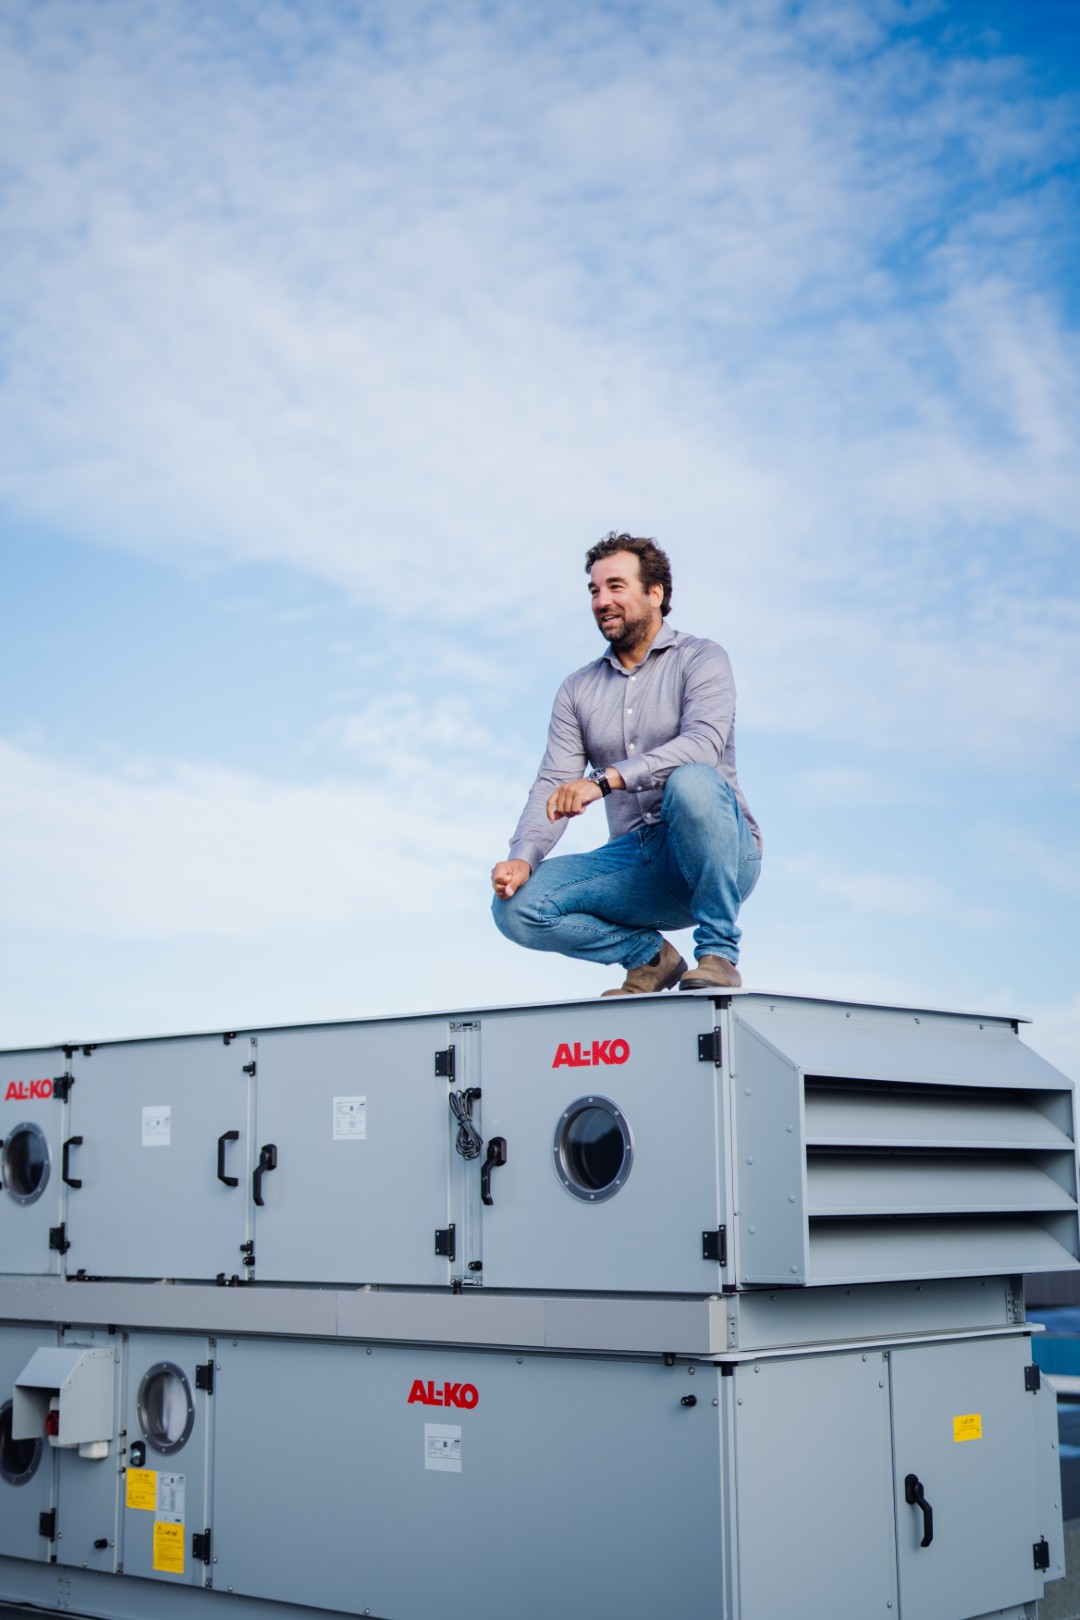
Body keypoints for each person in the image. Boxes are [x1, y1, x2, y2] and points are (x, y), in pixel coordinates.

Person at [491, 533, 762, 995]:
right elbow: (554, 782)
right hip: (639, 865)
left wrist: (604, 780)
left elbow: (703, 745)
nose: (602, 601)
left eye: (616, 586)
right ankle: (649, 958)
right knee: (516, 909)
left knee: (692, 781)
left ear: (655, 593)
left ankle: (718, 955)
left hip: (723, 855)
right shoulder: (577, 690)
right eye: (595, 591)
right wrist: (523, 856)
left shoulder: (702, 658)